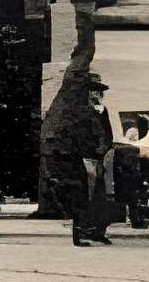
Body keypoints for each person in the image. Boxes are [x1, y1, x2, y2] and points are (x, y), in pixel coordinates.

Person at [49, 74, 115, 246]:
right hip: (84, 159)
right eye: (95, 91)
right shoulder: (79, 112)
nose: (99, 95)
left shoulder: (102, 110)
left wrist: (104, 149)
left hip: (99, 160)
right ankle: (81, 232)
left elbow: (107, 134)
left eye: (100, 92)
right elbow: (78, 136)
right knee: (83, 197)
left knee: (101, 197)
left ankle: (97, 231)